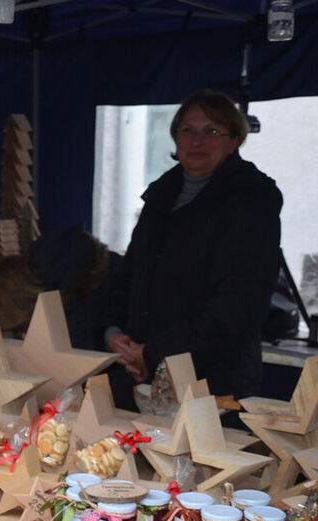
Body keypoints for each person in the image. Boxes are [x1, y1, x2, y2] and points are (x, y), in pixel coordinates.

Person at [104, 89, 284, 409]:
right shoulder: (160, 198)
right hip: (140, 377)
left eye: (212, 131)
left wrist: (153, 353)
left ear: (234, 141)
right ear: (175, 138)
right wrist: (114, 333)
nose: (197, 141)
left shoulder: (252, 203)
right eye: (187, 130)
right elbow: (128, 278)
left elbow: (237, 309)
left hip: (212, 386)